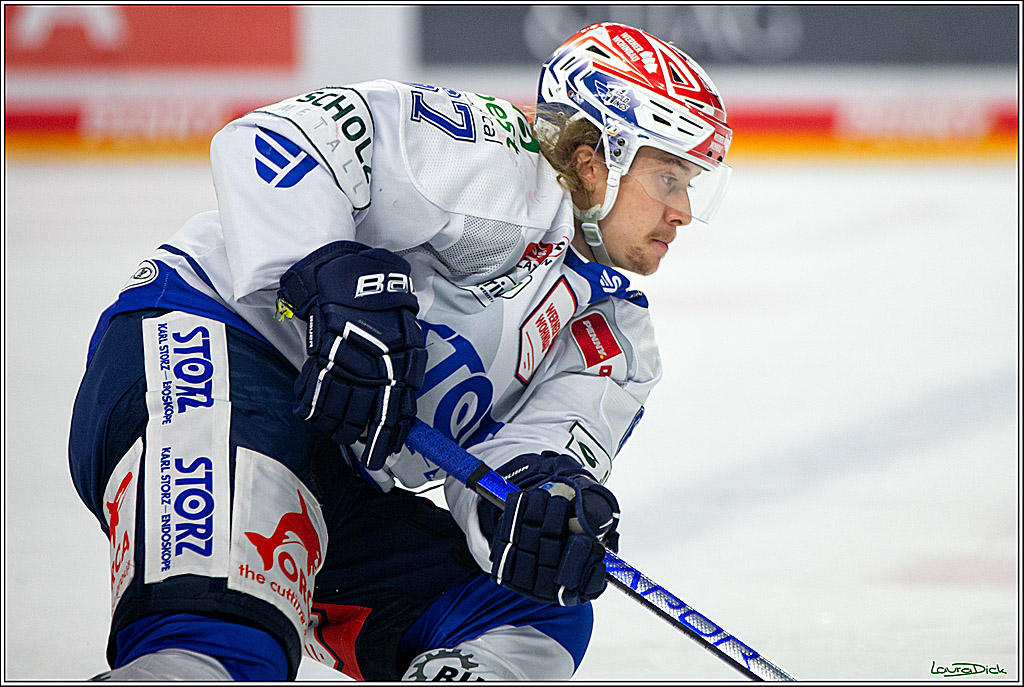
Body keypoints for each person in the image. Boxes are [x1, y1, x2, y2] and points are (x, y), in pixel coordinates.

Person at [69, 21, 732, 681]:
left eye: (692, 185)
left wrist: (537, 509)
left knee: (530, 614)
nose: (682, 211)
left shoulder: (614, 338)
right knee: (220, 649)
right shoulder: (494, 158)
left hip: (337, 466)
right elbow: (269, 141)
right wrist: (325, 271)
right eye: (670, 178)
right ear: (598, 159)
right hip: (213, 351)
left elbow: (512, 468)